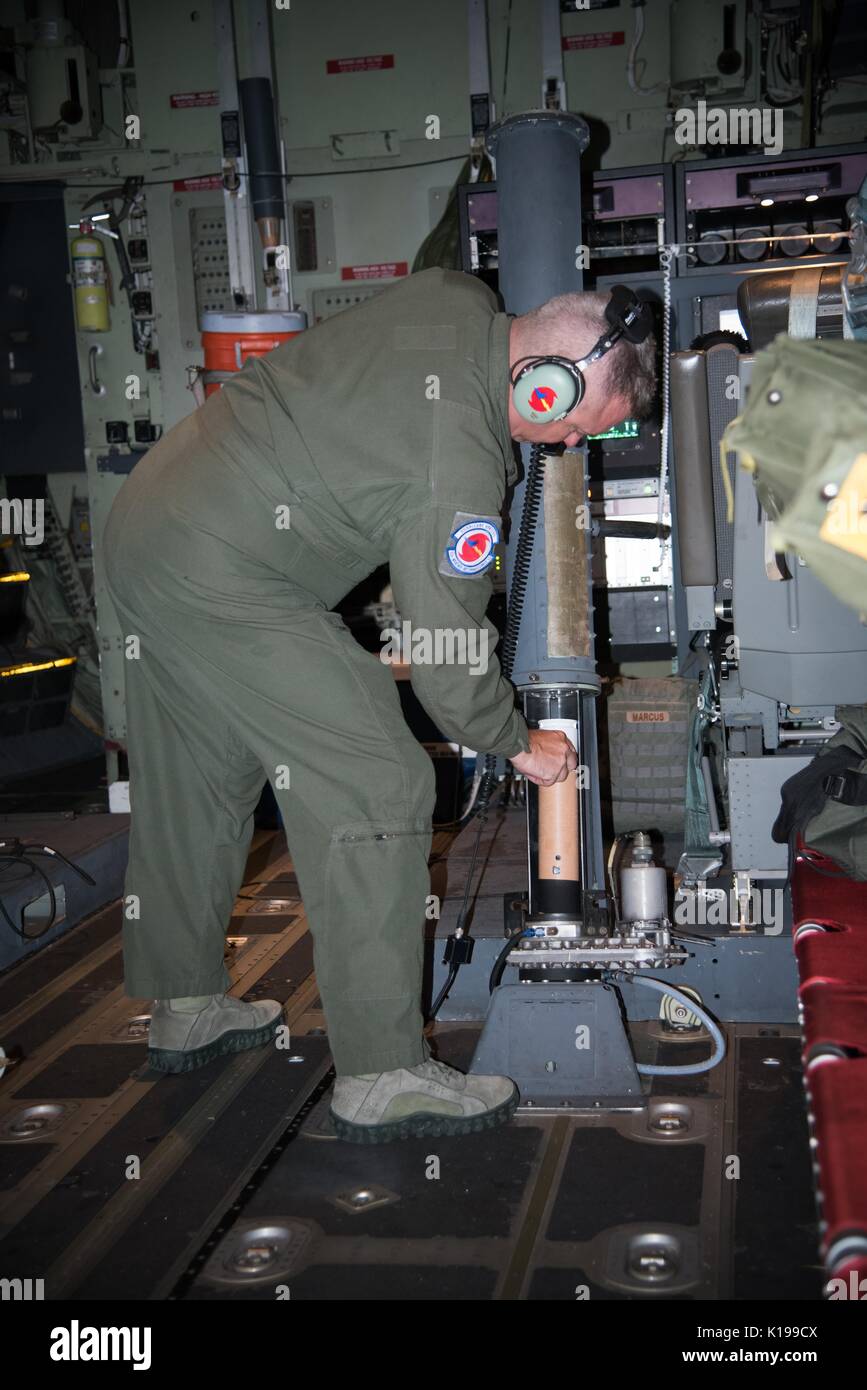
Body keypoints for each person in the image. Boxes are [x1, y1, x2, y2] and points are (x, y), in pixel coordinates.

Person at [102, 267, 656, 1143]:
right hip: (231, 572)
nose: (551, 445)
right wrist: (516, 740)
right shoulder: (462, 462)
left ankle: (185, 1006)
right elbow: (441, 646)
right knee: (379, 783)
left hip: (146, 528)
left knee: (200, 777)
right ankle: (382, 1073)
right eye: (564, 424)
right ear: (543, 379)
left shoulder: (455, 299)